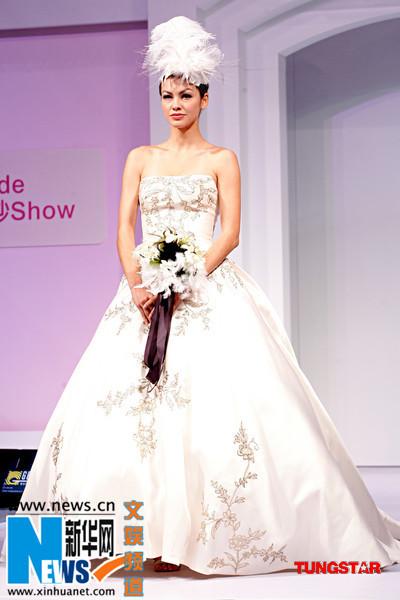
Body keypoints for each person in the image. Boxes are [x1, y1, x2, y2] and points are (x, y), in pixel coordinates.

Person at [2, 15, 400, 578]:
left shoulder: (221, 159)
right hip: (141, 295)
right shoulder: (141, 157)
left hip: (206, 290)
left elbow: (230, 233)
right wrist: (139, 284)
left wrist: (185, 277)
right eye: (167, 95)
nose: (175, 105)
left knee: (216, 412)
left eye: (186, 95)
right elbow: (123, 228)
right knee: (129, 417)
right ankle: (140, 542)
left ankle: (197, 539)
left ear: (205, 99)